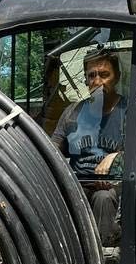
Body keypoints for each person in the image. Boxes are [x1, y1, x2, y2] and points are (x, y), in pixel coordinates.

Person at [51, 48, 125, 245]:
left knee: (103, 198)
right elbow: (52, 149)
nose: (97, 81)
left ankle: (104, 259)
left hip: (116, 188)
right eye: (91, 75)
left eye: (104, 75)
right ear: (85, 80)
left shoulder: (129, 111)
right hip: (79, 184)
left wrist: (115, 157)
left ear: (116, 77)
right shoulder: (72, 113)